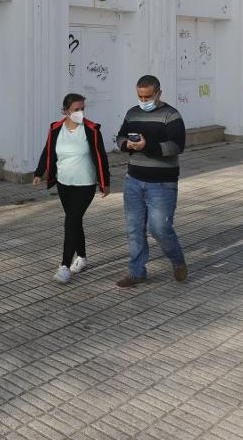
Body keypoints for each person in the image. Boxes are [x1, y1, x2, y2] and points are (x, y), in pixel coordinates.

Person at [112, 75, 188, 288]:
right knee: (134, 229)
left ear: (159, 93)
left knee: (159, 229)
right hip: (133, 181)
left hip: (162, 184)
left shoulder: (171, 115)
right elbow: (119, 137)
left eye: (148, 96)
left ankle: (177, 260)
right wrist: (127, 144)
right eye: (140, 96)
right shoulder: (132, 113)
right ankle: (137, 272)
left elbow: (177, 146)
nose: (144, 100)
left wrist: (148, 146)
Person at [33, 93, 111, 283]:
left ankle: (64, 266)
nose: (80, 112)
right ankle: (82, 257)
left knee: (71, 221)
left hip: (85, 184)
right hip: (64, 183)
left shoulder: (91, 130)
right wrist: (39, 172)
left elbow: (101, 156)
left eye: (83, 108)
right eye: (76, 109)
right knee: (74, 221)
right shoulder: (56, 129)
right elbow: (48, 151)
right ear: (66, 111)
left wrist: (105, 182)